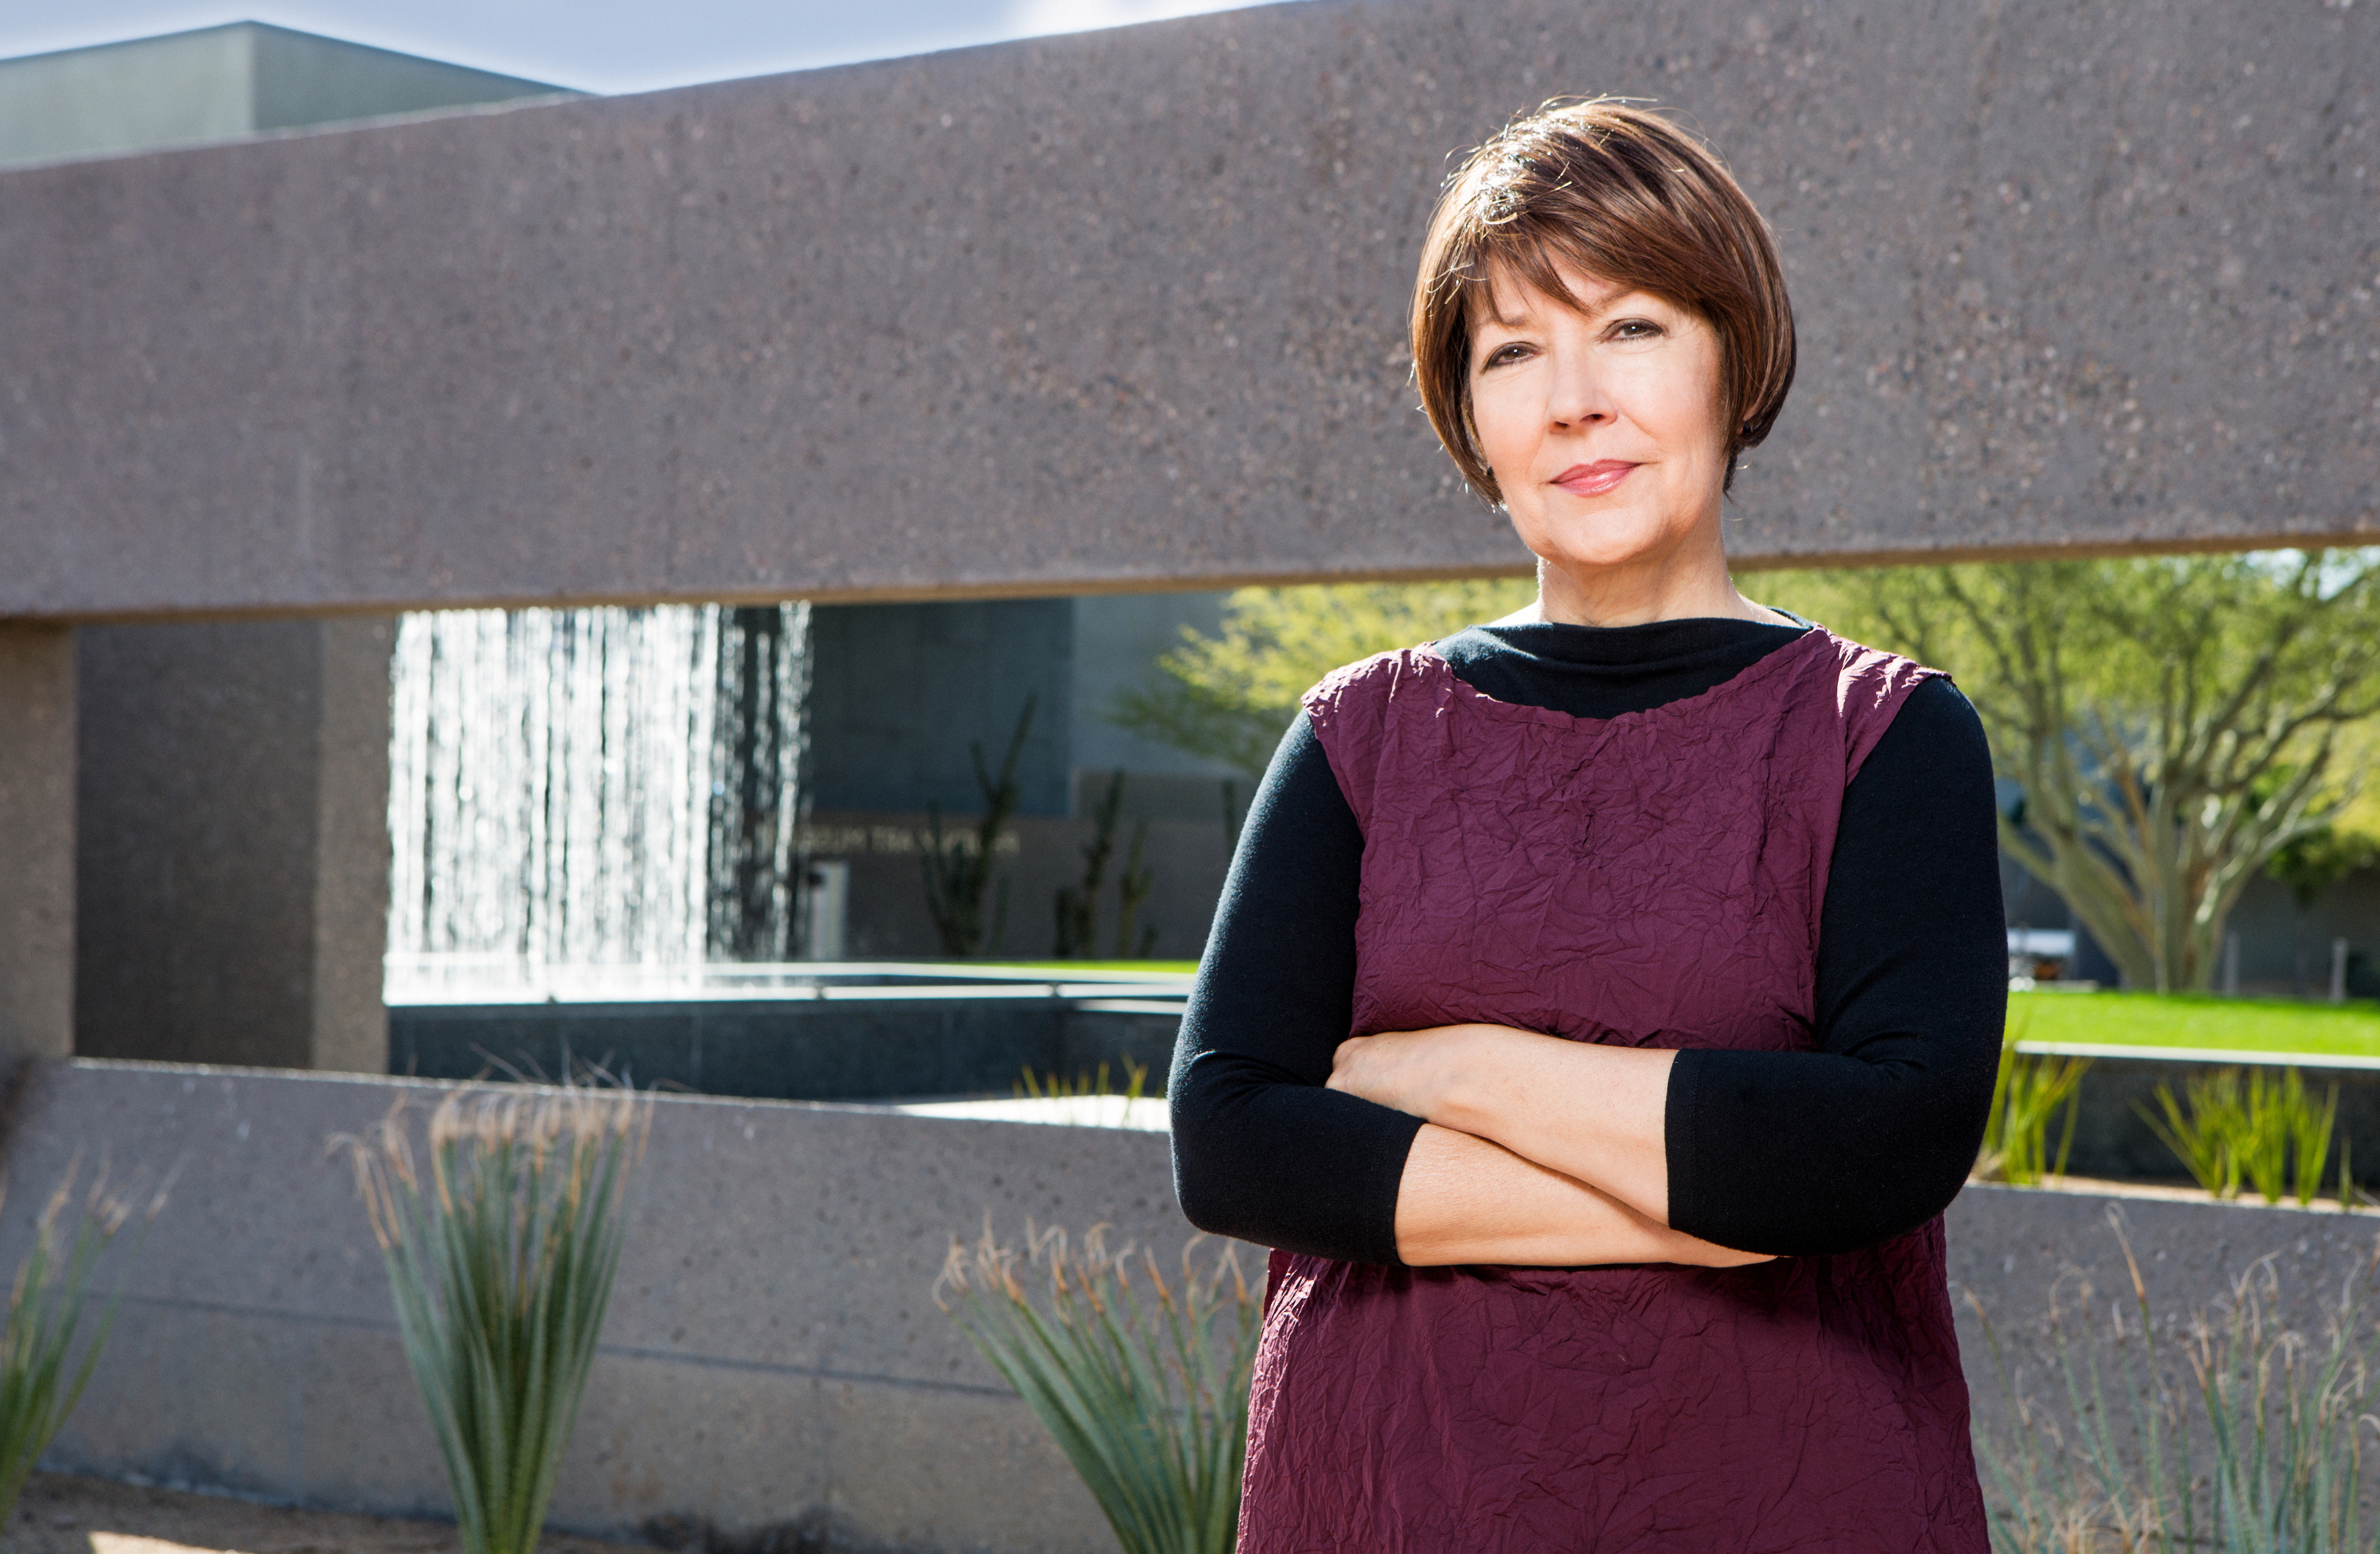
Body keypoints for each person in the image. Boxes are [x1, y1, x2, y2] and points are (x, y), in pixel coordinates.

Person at [1169, 99, 2005, 1551]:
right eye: (1512, 352)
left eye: (1630, 327)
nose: (1573, 398)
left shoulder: (1885, 735)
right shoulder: (1357, 738)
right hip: (1389, 1500)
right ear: (1471, 419)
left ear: (1731, 360)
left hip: (1785, 1500)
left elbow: (1883, 1145)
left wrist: (1453, 1067)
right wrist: (1726, 1205)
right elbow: (1233, 1144)